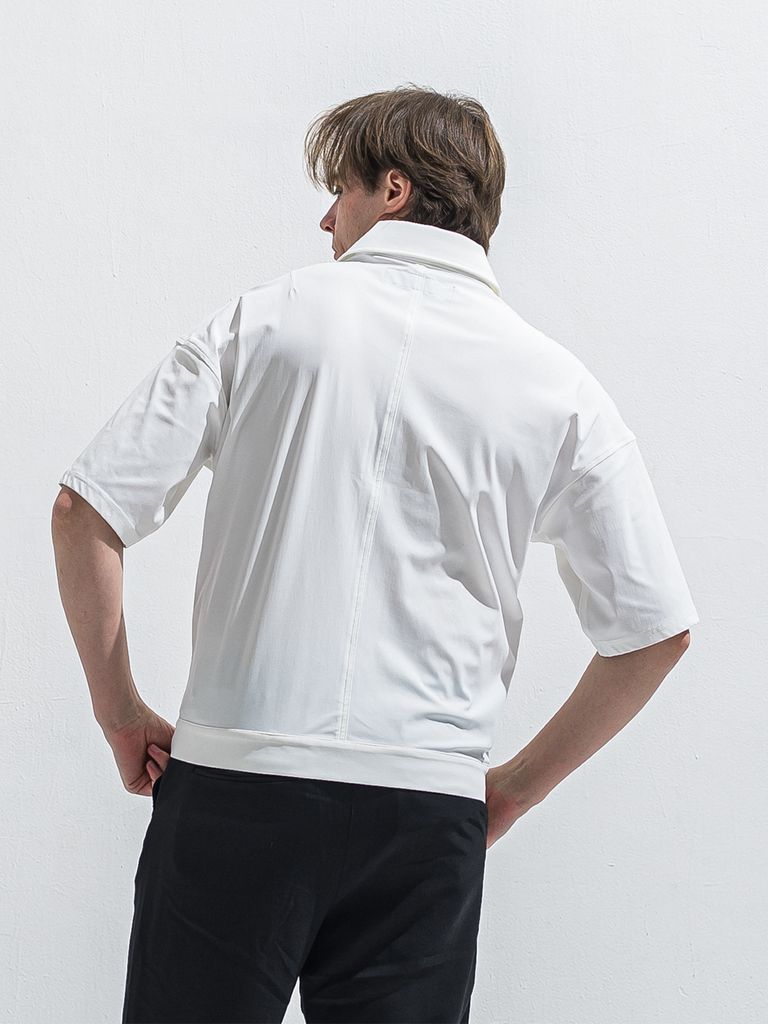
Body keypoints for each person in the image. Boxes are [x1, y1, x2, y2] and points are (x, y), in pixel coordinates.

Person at [51, 84, 699, 1024]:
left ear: (393, 190)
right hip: (426, 811)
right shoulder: (559, 387)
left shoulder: (262, 322)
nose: (327, 218)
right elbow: (655, 632)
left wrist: (120, 713)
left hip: (236, 785)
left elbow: (83, 510)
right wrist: (510, 791)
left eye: (340, 191)